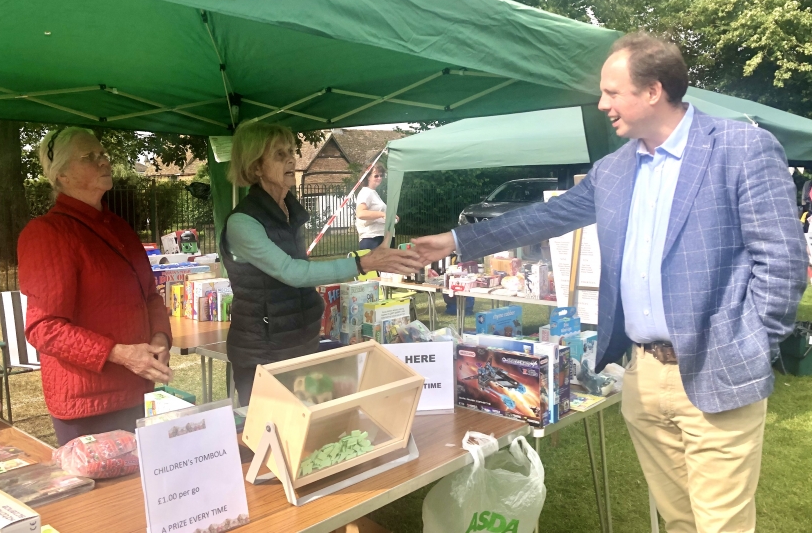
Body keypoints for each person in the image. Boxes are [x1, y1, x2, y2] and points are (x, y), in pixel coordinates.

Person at [413, 32, 806, 533]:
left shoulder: (741, 148)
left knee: (722, 526)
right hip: (644, 378)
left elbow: (783, 261)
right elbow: (541, 219)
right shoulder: (615, 170)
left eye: (611, 92)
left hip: (718, 367)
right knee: (678, 520)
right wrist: (454, 240)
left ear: (652, 91)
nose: (602, 105)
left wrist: (753, 344)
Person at [221, 122, 421, 406]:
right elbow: (292, 272)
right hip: (262, 352)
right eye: (279, 155)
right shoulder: (242, 222)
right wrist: (362, 264)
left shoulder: (289, 212)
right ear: (255, 168)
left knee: (310, 433)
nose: (291, 159)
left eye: (291, 151)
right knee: (271, 439)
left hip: (300, 341)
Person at [18, 127, 173, 445]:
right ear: (61, 175)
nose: (104, 162)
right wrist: (120, 354)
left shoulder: (119, 227)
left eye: (104, 154)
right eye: (90, 157)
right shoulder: (48, 233)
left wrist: (159, 337)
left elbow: (148, 295)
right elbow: (44, 328)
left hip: (137, 390)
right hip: (87, 403)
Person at [355, 163, 396, 250]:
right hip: (373, 238)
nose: (379, 178)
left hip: (383, 237)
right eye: (376, 176)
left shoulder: (374, 193)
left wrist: (392, 217)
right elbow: (361, 213)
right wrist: (382, 214)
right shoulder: (366, 192)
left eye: (381, 175)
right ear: (368, 177)